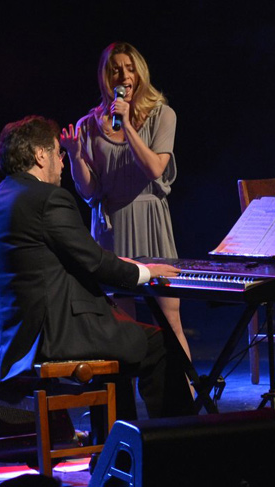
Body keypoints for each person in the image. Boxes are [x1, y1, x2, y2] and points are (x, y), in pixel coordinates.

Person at [0, 115, 194, 421]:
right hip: (56, 336)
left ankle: (115, 448)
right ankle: (177, 444)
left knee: (125, 347)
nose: (62, 162)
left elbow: (55, 259)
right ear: (40, 155)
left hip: (12, 342)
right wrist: (145, 272)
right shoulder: (48, 198)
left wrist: (119, 263)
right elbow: (93, 261)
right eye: (57, 152)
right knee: (160, 344)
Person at [60, 41, 192, 365]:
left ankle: (187, 402)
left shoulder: (163, 115)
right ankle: (129, 407)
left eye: (130, 68)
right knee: (122, 326)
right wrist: (76, 157)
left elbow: (154, 168)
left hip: (151, 220)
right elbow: (90, 191)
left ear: (140, 73)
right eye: (116, 69)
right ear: (106, 76)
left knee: (170, 319)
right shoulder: (87, 125)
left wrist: (128, 125)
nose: (124, 74)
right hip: (112, 229)